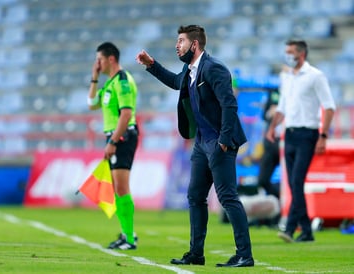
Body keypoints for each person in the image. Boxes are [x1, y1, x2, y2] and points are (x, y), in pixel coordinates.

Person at [136, 25, 254, 267]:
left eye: (181, 41)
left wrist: (224, 139)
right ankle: (196, 254)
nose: (177, 45)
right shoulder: (189, 70)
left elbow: (230, 105)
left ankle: (245, 255)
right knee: (196, 196)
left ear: (195, 44)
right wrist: (151, 65)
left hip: (220, 142)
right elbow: (175, 81)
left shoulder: (214, 68)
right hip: (201, 143)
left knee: (228, 197)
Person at [266, 39, 336, 243]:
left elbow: (329, 107)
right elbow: (282, 107)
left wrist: (323, 136)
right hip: (290, 134)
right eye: (286, 51)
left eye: (291, 51)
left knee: (296, 181)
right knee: (294, 183)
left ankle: (289, 228)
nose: (287, 55)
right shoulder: (286, 77)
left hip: (308, 134)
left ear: (301, 54)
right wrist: (272, 128)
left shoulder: (315, 76)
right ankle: (306, 231)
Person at [87, 42, 139, 250]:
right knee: (118, 188)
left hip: (123, 136)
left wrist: (113, 142)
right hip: (116, 136)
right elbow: (91, 104)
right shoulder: (109, 83)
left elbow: (126, 114)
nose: (97, 63)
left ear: (110, 59)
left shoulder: (123, 81)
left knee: (122, 187)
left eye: (99, 59)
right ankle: (128, 234)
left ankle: (129, 237)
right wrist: (94, 77)